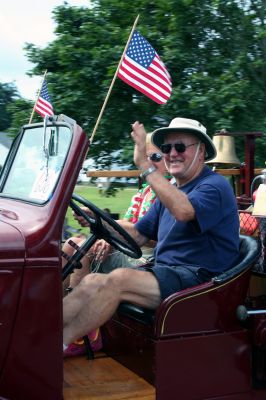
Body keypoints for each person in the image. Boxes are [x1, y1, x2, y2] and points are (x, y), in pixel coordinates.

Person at [63, 117, 240, 348]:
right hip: (169, 274)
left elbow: (184, 211)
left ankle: (58, 347)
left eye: (180, 146)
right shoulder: (171, 192)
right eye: (167, 148)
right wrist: (99, 220)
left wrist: (145, 167)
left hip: (202, 282)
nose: (172, 153)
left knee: (118, 279)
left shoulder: (214, 186)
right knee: (93, 280)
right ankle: (40, 332)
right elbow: (138, 234)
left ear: (201, 150)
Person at [62, 133, 169, 356]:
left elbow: (151, 236)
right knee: (72, 245)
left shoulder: (168, 193)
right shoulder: (143, 192)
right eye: (147, 157)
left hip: (147, 258)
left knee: (84, 250)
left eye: (156, 157)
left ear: (168, 160)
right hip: (131, 249)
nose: (150, 162)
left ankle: (85, 336)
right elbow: (125, 228)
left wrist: (112, 237)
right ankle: (48, 315)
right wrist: (107, 237)